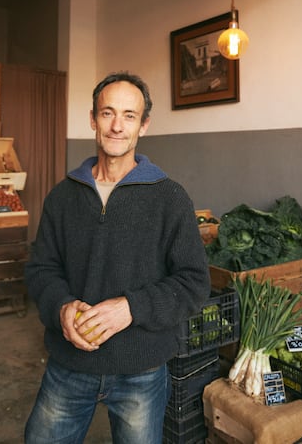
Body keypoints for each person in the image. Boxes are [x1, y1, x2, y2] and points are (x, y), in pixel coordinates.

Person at [24, 71, 211, 443]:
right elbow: (41, 268)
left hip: (141, 367)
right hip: (69, 363)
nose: (116, 126)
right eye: (107, 113)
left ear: (144, 126)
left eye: (129, 115)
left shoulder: (170, 198)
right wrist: (61, 307)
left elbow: (194, 281)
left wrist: (131, 308)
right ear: (93, 120)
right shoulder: (63, 197)